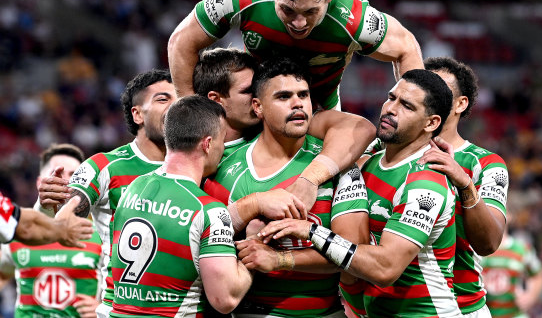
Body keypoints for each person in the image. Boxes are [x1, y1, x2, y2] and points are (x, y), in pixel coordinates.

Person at [259, 69, 463, 318]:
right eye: (391, 97)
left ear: (431, 123)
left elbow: (385, 267)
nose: (390, 109)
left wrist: (311, 232)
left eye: (407, 106)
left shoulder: (424, 184)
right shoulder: (369, 163)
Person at [168, 0, 423, 110]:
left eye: (311, 12)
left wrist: (416, 117)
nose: (299, 23)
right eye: (287, 10)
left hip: (320, 111)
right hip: (256, 105)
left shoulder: (355, 18)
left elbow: (406, 47)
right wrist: (189, 107)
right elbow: (181, 41)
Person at [206, 58, 369, 317]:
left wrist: (280, 260)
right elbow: (203, 244)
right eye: (283, 96)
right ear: (257, 107)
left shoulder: (335, 165)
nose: (297, 103)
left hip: (323, 313)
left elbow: (355, 253)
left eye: (303, 95)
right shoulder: (223, 165)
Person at [36, 69, 177, 318]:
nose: (175, 108)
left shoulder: (205, 166)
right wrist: (50, 203)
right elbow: (66, 210)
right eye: (163, 99)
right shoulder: (105, 166)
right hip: (121, 310)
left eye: (180, 100)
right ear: (137, 114)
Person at [109, 96, 253, 316]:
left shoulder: (133, 187)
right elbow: (225, 299)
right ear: (207, 144)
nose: (223, 149)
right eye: (222, 140)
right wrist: (254, 254)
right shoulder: (208, 210)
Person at [194, 47, 376, 209]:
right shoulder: (199, 154)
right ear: (216, 99)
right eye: (249, 90)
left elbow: (360, 128)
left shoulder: (279, 124)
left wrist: (310, 179)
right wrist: (253, 207)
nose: (257, 94)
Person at [415, 57, 509, 317]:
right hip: (395, 305)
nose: (428, 95)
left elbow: (489, 242)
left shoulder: (487, 164)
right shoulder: (385, 155)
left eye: (438, 88)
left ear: (460, 103)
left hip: (463, 306)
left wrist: (465, 183)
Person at [0, 143, 102, 318]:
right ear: (40, 182)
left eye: (75, 176)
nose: (67, 181)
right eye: (58, 174)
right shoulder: (18, 228)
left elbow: (130, 290)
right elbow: (3, 273)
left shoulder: (103, 233)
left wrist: (104, 309)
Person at [481, 213, 542, 318]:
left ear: (509, 216)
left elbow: (538, 275)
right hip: (486, 314)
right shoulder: (477, 249)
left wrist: (530, 296)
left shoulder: (522, 249)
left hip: (514, 314)